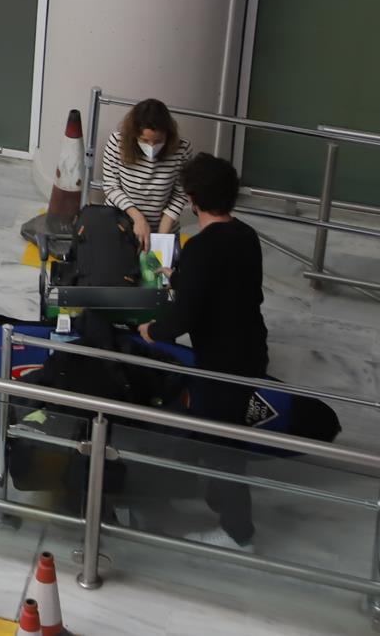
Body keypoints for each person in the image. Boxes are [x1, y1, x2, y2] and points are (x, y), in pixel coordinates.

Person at [140, 154, 268, 552]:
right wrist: (181, 275)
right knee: (217, 430)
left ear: (192, 199)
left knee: (224, 447)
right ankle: (210, 494)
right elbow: (233, 284)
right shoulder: (246, 235)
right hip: (252, 349)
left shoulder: (199, 248)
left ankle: (238, 532)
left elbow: (180, 319)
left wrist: (150, 330)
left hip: (221, 362)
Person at [98, 98, 193, 247]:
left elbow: (180, 193)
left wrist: (162, 235)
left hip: (164, 228)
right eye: (145, 140)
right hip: (120, 223)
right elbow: (111, 186)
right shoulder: (116, 143)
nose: (152, 146)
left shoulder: (182, 149)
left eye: (158, 141)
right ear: (133, 134)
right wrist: (138, 219)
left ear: (168, 134)